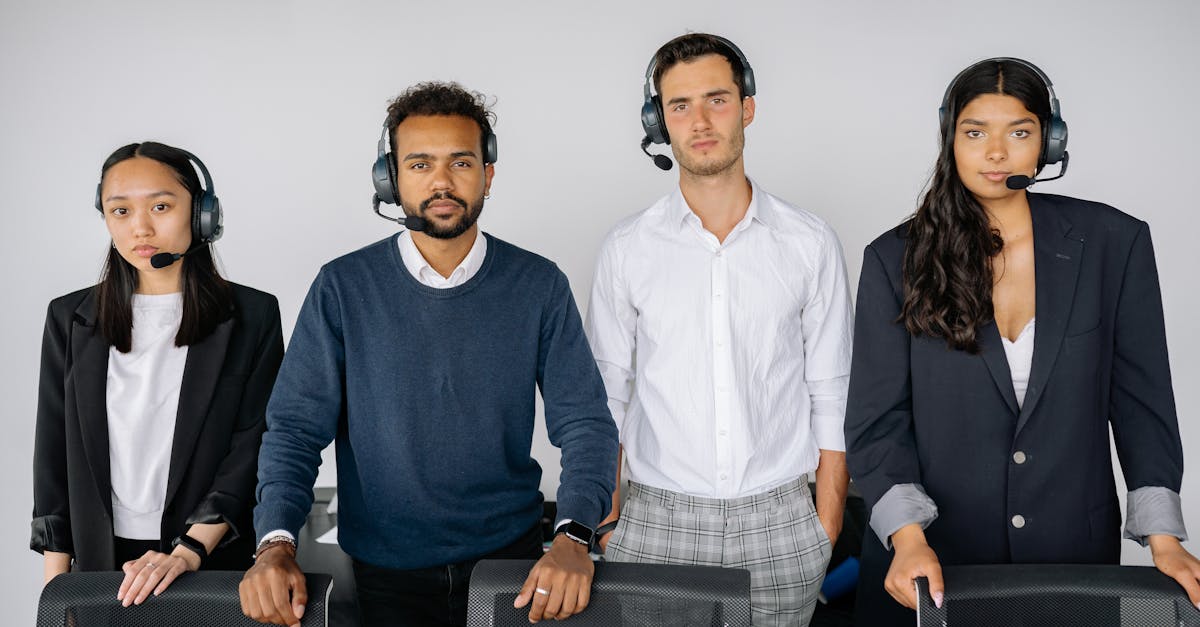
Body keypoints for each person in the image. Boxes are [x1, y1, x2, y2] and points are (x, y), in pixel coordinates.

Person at [238, 81, 618, 627]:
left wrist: (574, 536)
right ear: (391, 179)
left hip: (511, 566)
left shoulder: (538, 284)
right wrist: (274, 544)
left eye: (461, 162)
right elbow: (295, 430)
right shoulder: (343, 287)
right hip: (384, 572)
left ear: (487, 175)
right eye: (419, 164)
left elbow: (585, 423)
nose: (441, 181)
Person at [845, 57, 1200, 625]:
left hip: (1070, 557)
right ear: (950, 139)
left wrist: (1162, 537)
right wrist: (907, 537)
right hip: (934, 556)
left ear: (1049, 142)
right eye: (975, 132)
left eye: (1019, 132)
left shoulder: (1115, 243)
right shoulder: (894, 259)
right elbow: (876, 420)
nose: (995, 152)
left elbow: (1142, 405)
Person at [586, 33, 854, 626]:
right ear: (660, 120)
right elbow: (606, 395)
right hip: (655, 522)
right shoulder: (627, 249)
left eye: (717, 99)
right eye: (679, 105)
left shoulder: (809, 243)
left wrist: (825, 526)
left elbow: (832, 389)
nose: (700, 121)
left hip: (783, 520)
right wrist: (608, 521)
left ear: (747, 108)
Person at [31, 142, 284, 606]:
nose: (140, 227)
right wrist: (56, 588)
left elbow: (253, 444)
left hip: (208, 557)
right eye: (120, 210)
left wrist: (190, 549)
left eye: (161, 206)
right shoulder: (70, 317)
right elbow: (53, 452)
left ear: (203, 214)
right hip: (100, 565)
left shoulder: (252, 315)